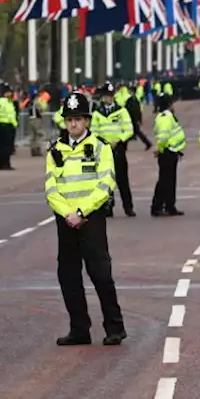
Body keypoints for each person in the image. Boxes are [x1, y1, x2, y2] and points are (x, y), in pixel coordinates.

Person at [48, 92, 126, 347]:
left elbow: (106, 183)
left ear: (87, 121)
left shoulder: (101, 147)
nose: (73, 124)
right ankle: (79, 329)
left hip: (91, 219)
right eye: (69, 119)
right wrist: (67, 214)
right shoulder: (55, 150)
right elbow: (51, 188)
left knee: (101, 273)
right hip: (66, 221)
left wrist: (81, 211)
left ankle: (114, 327)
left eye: (78, 119)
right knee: (68, 276)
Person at [92, 82, 136, 217]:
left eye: (110, 96)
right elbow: (93, 131)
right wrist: (103, 142)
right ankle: (108, 207)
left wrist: (119, 140)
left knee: (122, 179)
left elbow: (129, 129)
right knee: (105, 179)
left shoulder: (121, 111)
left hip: (118, 148)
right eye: (106, 96)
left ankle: (128, 207)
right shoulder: (97, 113)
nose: (108, 98)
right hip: (103, 149)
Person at [151, 94, 185, 216]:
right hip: (167, 152)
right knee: (167, 181)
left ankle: (163, 205)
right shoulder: (166, 117)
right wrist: (159, 149)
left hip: (170, 151)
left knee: (166, 180)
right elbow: (164, 136)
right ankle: (165, 206)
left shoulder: (163, 116)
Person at [0, 86, 18, 171]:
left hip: (1, 124)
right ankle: (6, 164)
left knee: (1, 146)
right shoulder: (7, 102)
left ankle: (0, 164)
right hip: (8, 124)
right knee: (7, 146)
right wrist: (15, 123)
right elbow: (10, 114)